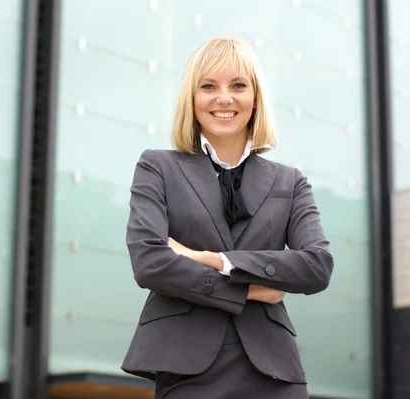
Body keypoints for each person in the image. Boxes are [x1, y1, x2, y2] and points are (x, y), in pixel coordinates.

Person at [121, 37, 334, 398]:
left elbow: (317, 265)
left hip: (273, 372)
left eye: (238, 85)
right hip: (185, 365)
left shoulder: (291, 181)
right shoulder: (157, 167)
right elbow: (149, 262)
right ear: (192, 98)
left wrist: (217, 261)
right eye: (208, 86)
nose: (224, 98)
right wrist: (248, 289)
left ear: (255, 98)